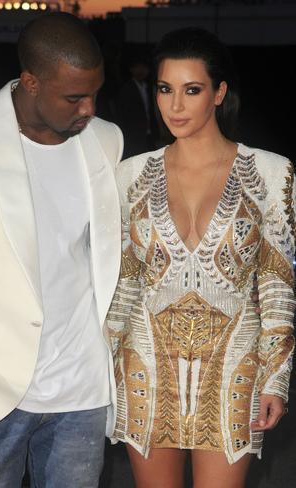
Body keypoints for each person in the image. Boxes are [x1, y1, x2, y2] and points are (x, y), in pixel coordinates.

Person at [0, 12, 123, 487]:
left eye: (95, 93)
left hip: (82, 391)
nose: (89, 109)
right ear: (31, 82)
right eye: (74, 97)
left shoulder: (106, 140)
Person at [106, 27, 295, 488]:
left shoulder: (272, 172)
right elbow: (124, 281)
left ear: (219, 93)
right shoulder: (129, 175)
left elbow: (278, 285)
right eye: (165, 90)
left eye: (192, 90)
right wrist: (102, 370)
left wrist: (277, 379)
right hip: (145, 366)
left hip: (234, 367)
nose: (175, 106)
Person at [116, 57, 159, 159]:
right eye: (138, 67)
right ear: (131, 69)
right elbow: (122, 115)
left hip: (149, 134)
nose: (141, 71)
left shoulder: (148, 87)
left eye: (144, 68)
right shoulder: (126, 89)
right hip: (133, 135)